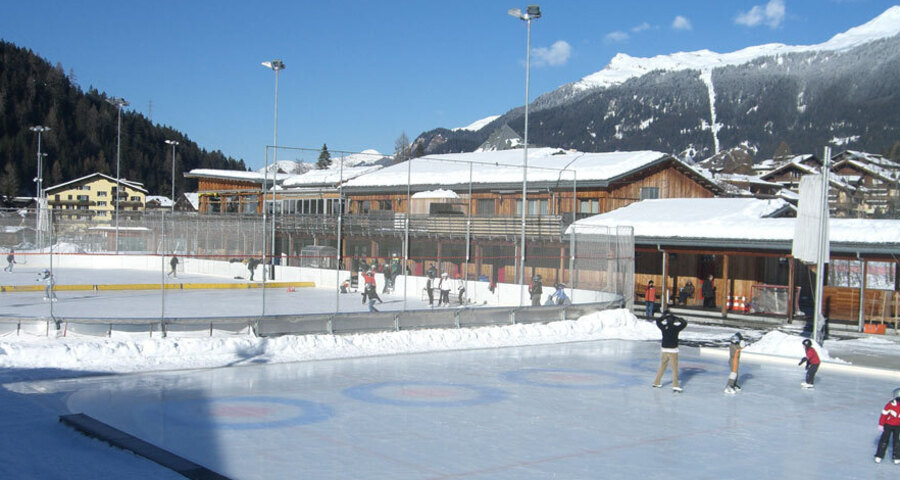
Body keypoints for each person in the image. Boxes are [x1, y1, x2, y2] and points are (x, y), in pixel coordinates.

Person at [652, 313, 687, 392]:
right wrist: (678, 318)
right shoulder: (676, 328)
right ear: (674, 321)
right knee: (674, 368)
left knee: (662, 366)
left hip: (664, 349)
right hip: (673, 350)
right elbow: (684, 323)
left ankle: (656, 382)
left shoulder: (664, 327)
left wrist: (664, 317)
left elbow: (658, 321)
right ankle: (675, 385)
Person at [874, 387, 900, 464]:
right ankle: (879, 455)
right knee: (884, 440)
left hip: (898, 427)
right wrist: (881, 424)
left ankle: (897, 456)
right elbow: (884, 415)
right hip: (888, 425)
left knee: (897, 442)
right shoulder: (890, 405)